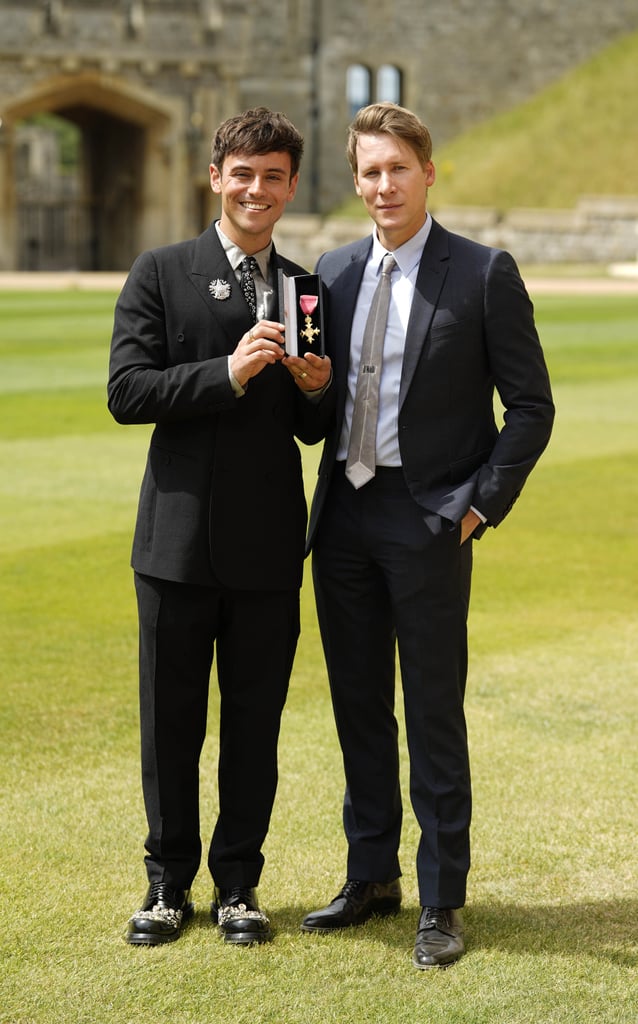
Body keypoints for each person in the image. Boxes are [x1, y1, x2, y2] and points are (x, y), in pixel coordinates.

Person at [300, 102, 554, 968]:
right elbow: (315, 412)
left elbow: (531, 407)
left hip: (431, 517)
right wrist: (305, 389)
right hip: (343, 518)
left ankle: (443, 898)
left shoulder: (483, 273)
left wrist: (480, 503)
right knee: (358, 706)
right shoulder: (331, 273)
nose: (381, 186)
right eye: (368, 171)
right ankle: (371, 875)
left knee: (433, 712)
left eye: (396, 169)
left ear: (428, 172)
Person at [108, 107, 333, 947]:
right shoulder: (162, 271)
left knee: (254, 724)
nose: (257, 190)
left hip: (270, 547)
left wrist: (316, 387)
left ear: (290, 186)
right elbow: (127, 392)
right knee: (171, 727)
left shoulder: (307, 288)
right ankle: (167, 886)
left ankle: (238, 886)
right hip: (174, 546)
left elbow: (317, 428)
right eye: (243, 174)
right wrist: (225, 373)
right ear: (216, 178)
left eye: (273, 176)